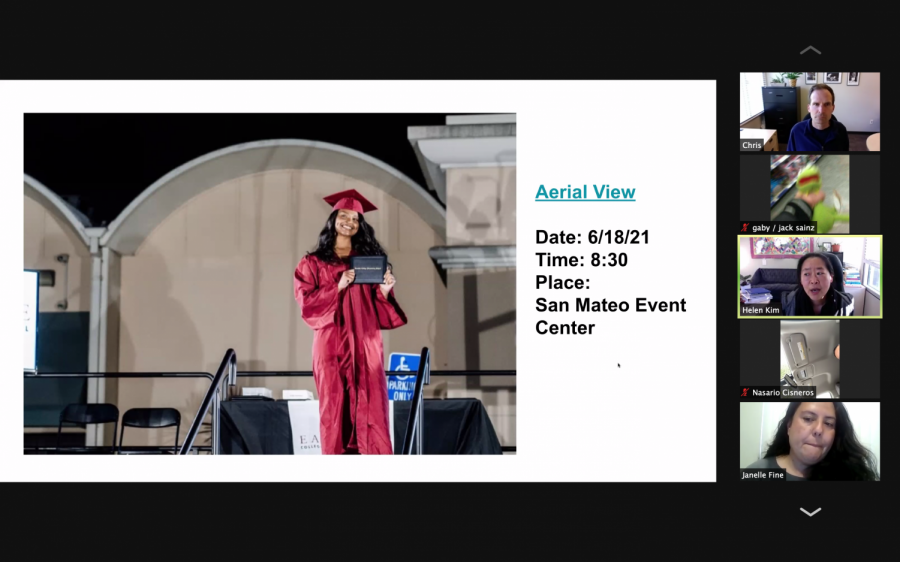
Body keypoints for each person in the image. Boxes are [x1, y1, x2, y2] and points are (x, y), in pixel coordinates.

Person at [293, 189, 407, 454]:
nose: (349, 222)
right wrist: (338, 285)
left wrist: (384, 292)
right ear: (333, 219)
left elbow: (379, 311)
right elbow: (307, 303)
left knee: (372, 400)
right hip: (331, 341)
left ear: (360, 226)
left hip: (365, 340)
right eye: (344, 215)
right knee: (334, 402)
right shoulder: (312, 262)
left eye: (355, 219)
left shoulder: (368, 262)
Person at [745, 402, 879, 480]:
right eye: (808, 419)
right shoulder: (756, 474)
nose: (819, 430)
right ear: (789, 426)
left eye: (828, 423)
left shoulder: (852, 475)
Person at [782, 252, 854, 316]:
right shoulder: (788, 303)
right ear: (801, 280)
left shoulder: (846, 305)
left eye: (819, 273)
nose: (813, 281)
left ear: (831, 277)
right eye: (806, 274)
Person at [787, 85, 850, 151]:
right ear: (809, 108)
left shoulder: (841, 130)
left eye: (827, 104)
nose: (821, 110)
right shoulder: (796, 131)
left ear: (833, 108)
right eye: (816, 104)